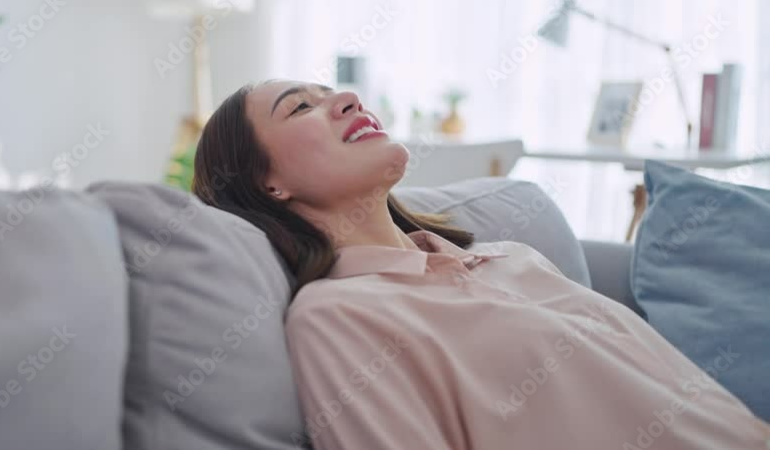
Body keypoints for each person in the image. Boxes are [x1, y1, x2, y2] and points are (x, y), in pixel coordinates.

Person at [191, 80, 770, 450]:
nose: (345, 97)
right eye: (301, 106)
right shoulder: (335, 315)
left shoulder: (513, 259)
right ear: (267, 184)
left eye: (329, 91)